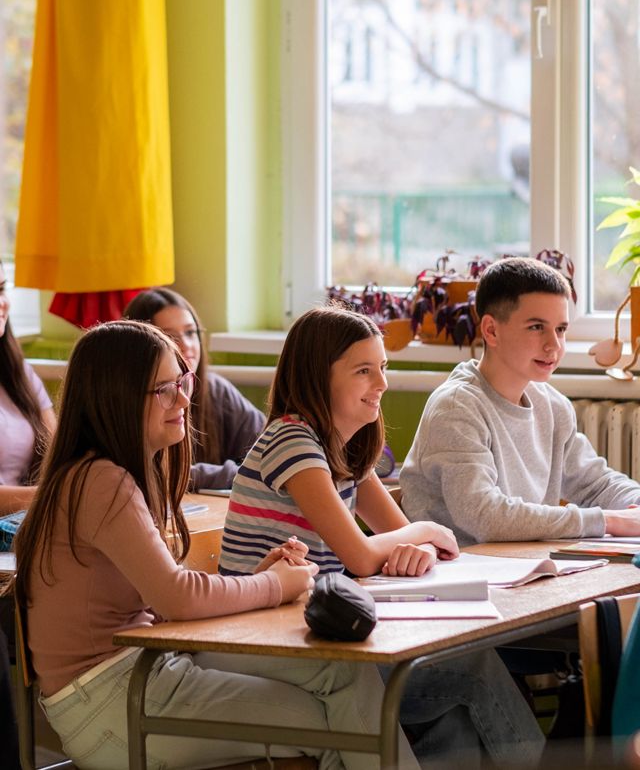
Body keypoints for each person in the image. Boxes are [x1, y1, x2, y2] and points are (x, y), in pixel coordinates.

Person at [12, 320, 414, 770]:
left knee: (344, 677)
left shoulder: (122, 473)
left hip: (145, 673)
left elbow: (163, 599)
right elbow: (175, 595)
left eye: (182, 382)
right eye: (164, 389)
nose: (185, 399)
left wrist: (265, 577)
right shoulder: (100, 480)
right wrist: (274, 586)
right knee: (328, 715)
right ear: (116, 396)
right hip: (109, 702)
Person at [220, 306, 545, 767]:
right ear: (319, 377)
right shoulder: (292, 442)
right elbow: (365, 555)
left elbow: (400, 541)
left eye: (383, 368)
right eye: (364, 371)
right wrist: (426, 531)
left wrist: (416, 547)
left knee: (454, 709)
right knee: (472, 671)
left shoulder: (345, 449)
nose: (382, 384)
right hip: (262, 642)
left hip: (315, 634)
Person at [400, 256, 640, 546]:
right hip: (460, 575)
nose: (554, 345)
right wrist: (608, 520)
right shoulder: (456, 408)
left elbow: (596, 483)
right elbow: (484, 516)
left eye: (561, 329)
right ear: (491, 330)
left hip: (526, 567)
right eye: (536, 327)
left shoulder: (553, 406)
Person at [124, 287, 265, 490]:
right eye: (170, 337)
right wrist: (234, 476)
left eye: (190, 332)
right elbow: (157, 474)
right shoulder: (133, 400)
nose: (187, 345)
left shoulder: (216, 391)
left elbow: (272, 456)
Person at [0, 259, 55, 516]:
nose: (2, 303)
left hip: (21, 527)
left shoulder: (17, 370)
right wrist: (57, 495)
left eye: (1, 289)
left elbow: (59, 452)